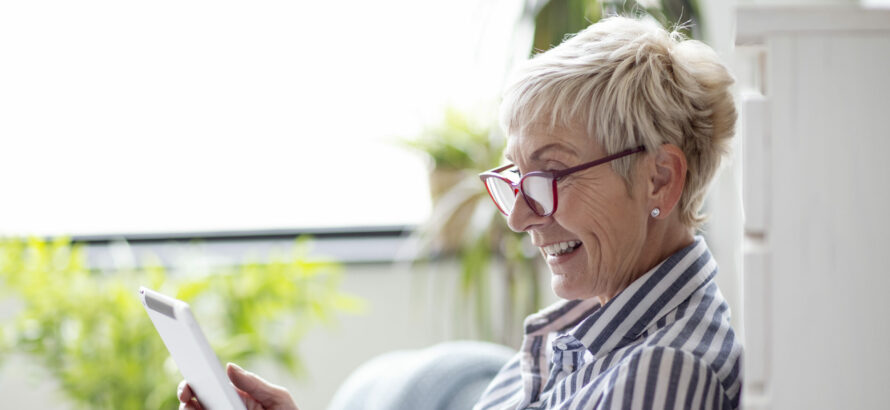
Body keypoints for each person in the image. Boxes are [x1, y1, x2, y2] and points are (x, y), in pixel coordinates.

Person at [179, 15, 741, 410]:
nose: (519, 217)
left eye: (547, 175)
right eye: (515, 177)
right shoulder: (593, 329)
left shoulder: (662, 371)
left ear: (659, 179)